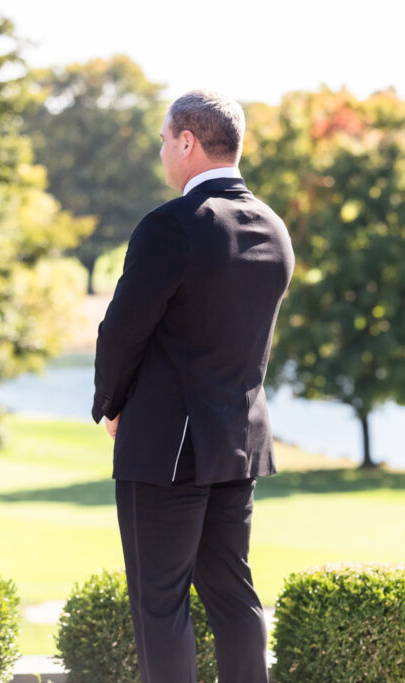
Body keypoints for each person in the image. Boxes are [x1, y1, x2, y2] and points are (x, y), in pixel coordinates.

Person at [92, 90, 294, 683]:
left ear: (188, 142)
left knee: (161, 605)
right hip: (238, 445)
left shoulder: (172, 226)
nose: (161, 151)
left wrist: (111, 404)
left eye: (163, 139)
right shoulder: (274, 228)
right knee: (235, 599)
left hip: (165, 450)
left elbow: (121, 332)